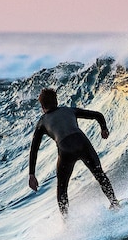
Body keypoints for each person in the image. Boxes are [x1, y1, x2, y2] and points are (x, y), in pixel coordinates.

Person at [28, 87, 118, 216]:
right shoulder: (68, 110)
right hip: (82, 142)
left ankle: (66, 222)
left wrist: (32, 173)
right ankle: (114, 202)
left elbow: (34, 149)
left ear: (42, 106)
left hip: (65, 149)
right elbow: (97, 115)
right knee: (99, 175)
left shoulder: (42, 122)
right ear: (56, 101)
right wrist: (103, 128)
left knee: (62, 188)